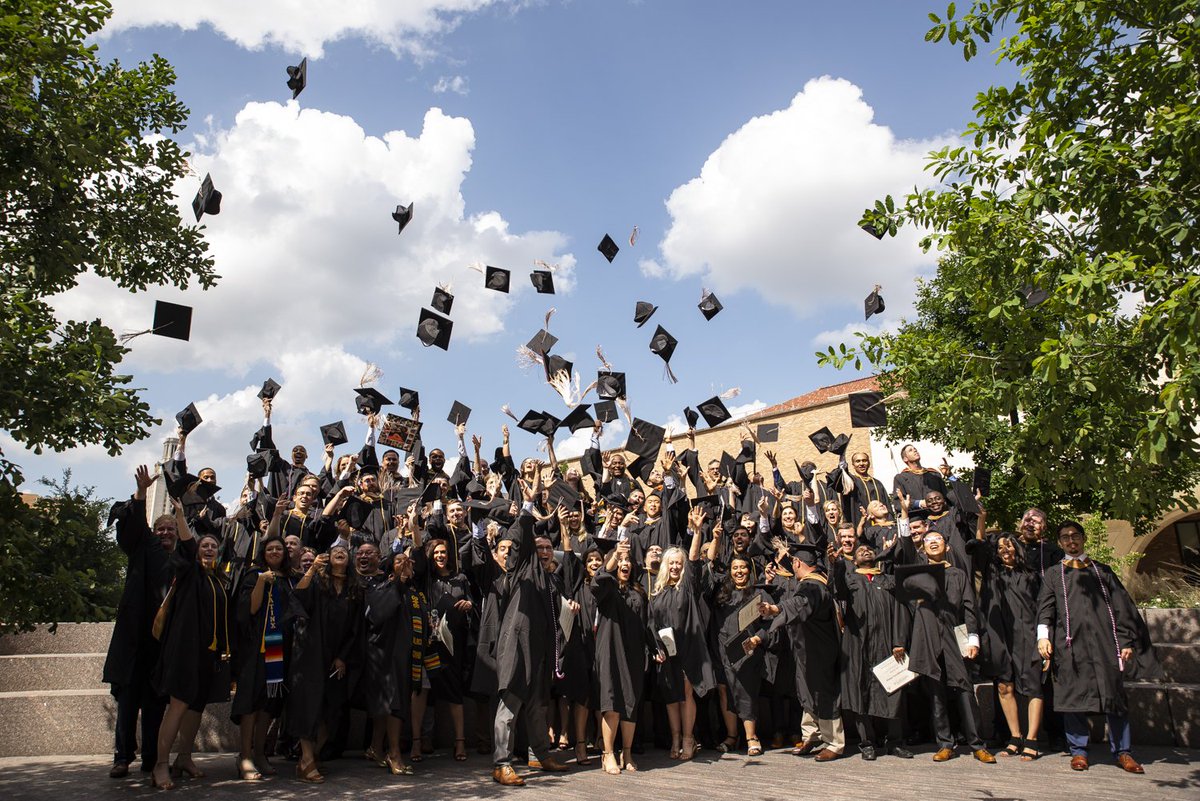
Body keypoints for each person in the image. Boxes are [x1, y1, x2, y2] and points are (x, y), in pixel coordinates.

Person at [1036, 520, 1161, 773]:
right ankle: (1078, 751)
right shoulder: (1053, 574)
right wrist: (1043, 637)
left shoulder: (1102, 571)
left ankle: (1123, 752)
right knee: (1072, 697)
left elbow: (1122, 607)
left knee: (1114, 696)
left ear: (1082, 539)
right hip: (1070, 644)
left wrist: (1125, 640)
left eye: (1075, 536)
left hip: (1105, 644)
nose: (1071, 541)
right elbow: (1045, 609)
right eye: (1065, 538)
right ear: (1060, 543)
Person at [489, 473, 572, 786]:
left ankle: (541, 755)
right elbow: (523, 535)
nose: (545, 551)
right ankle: (501, 763)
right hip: (518, 645)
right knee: (510, 703)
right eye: (539, 546)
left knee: (538, 705)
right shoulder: (523, 566)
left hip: (539, 648)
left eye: (549, 547)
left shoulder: (551, 578)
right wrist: (528, 503)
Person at [149, 499, 232, 790]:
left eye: (213, 546)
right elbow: (184, 545)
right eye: (204, 546)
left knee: (196, 707)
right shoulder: (188, 572)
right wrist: (182, 516)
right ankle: (160, 765)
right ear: (196, 552)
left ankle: (184, 758)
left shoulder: (220, 580)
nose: (209, 549)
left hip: (208, 653)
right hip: (184, 651)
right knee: (178, 705)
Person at [104, 466, 175, 779]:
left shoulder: (181, 561)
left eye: (170, 529)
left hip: (161, 641)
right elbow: (134, 529)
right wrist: (142, 493)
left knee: (156, 704)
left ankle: (151, 757)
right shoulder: (145, 546)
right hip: (134, 637)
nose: (165, 533)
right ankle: (122, 757)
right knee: (128, 702)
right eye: (161, 528)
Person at [899, 532, 994, 764]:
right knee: (935, 691)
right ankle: (945, 743)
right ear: (922, 548)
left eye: (938, 539)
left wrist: (973, 638)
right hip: (926, 636)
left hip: (954, 634)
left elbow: (970, 607)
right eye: (928, 540)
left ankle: (977, 744)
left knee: (964, 689)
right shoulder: (916, 574)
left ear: (947, 547)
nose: (933, 542)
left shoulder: (958, 574)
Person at [758, 544, 844, 762]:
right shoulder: (817, 580)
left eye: (793, 563)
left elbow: (800, 603)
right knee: (806, 689)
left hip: (818, 650)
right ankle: (811, 735)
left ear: (798, 563)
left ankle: (835, 742)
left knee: (822, 691)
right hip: (806, 649)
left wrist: (776, 609)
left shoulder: (812, 586)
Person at [830, 542, 913, 760]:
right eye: (860, 551)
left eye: (869, 550)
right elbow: (838, 590)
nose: (866, 551)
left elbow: (900, 611)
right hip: (858, 644)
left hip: (887, 643)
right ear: (854, 561)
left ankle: (895, 741)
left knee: (893, 690)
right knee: (860, 691)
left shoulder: (887, 580)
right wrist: (836, 565)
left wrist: (899, 640)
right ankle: (867, 742)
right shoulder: (850, 579)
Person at [288, 544, 363, 782]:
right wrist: (311, 571)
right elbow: (298, 596)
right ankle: (308, 761)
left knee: (331, 711)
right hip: (311, 654)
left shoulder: (354, 589)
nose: (339, 552)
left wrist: (343, 657)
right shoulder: (318, 583)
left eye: (344, 551)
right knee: (309, 707)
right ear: (328, 559)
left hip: (337, 658)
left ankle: (311, 757)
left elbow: (355, 628)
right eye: (334, 552)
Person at [649, 506, 714, 762]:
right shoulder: (659, 591)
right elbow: (651, 622)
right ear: (666, 565)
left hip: (688, 647)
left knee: (686, 694)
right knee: (671, 696)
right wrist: (656, 649)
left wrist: (696, 531)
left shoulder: (686, 586)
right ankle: (675, 737)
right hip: (666, 651)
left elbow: (696, 558)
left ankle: (688, 738)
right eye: (672, 563)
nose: (675, 567)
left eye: (679, 563)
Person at [230, 535, 292, 780]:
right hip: (256, 649)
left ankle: (259, 754)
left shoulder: (288, 579)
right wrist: (261, 582)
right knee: (251, 703)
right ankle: (244, 755)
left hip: (279, 650)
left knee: (268, 704)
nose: (275, 552)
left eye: (279, 548)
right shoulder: (254, 574)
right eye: (270, 549)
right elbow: (250, 609)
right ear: (263, 553)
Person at [592, 538, 657, 774]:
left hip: (634, 652)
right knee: (612, 701)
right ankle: (607, 753)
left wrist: (656, 648)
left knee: (631, 702)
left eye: (627, 560)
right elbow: (598, 581)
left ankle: (626, 752)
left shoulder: (638, 592)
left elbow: (648, 623)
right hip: (610, 648)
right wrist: (613, 558)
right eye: (620, 560)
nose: (624, 564)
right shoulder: (607, 590)